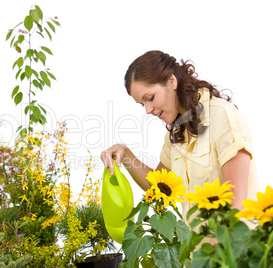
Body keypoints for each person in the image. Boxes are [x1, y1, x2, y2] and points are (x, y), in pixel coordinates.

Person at [100, 50, 259, 220]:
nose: (147, 110)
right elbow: (158, 188)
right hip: (197, 246)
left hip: (233, 244)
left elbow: (238, 204)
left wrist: (213, 246)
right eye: (142, 104)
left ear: (171, 81)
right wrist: (125, 154)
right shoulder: (176, 134)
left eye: (150, 98)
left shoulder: (222, 116)